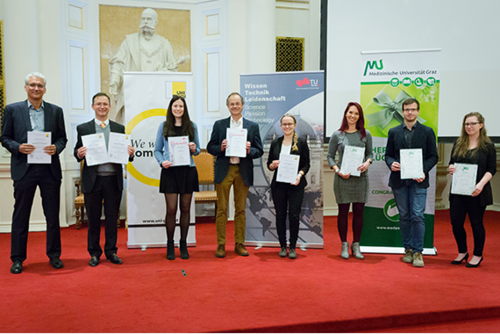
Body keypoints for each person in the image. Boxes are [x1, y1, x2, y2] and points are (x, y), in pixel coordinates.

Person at [1, 72, 67, 274]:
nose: (36, 88)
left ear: (44, 89)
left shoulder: (56, 111)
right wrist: (18, 147)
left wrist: (56, 147)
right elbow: (4, 137)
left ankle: (54, 255)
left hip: (49, 170)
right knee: (21, 215)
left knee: (52, 215)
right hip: (24, 169)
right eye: (32, 85)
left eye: (39, 85)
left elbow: (62, 138)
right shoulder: (12, 110)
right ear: (26, 88)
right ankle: (18, 258)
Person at [74, 93, 135, 267]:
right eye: (98, 104)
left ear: (109, 107)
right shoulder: (83, 129)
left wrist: (130, 154)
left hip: (112, 180)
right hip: (93, 180)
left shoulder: (119, 128)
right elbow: (76, 152)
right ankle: (94, 253)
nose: (102, 107)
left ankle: (111, 251)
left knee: (112, 218)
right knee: (93, 219)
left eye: (105, 104)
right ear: (92, 107)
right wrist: (79, 154)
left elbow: (126, 155)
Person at [207, 92, 263, 258]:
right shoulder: (219, 125)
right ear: (228, 106)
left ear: (243, 105)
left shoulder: (252, 126)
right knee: (222, 210)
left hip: (242, 171)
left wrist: (249, 149)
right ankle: (221, 244)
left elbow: (258, 150)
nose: (235, 106)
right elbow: (210, 147)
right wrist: (221, 147)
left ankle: (239, 243)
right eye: (232, 104)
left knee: (240, 210)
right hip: (225, 170)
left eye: (238, 103)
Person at [385, 98, 438, 267]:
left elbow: (433, 156)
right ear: (402, 111)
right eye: (407, 109)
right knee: (404, 216)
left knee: (417, 216)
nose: (409, 112)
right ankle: (407, 249)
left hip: (418, 180)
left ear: (418, 111)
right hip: (399, 181)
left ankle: (418, 252)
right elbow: (388, 155)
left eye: (413, 109)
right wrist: (390, 163)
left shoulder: (427, 131)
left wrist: (423, 170)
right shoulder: (393, 132)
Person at [108, 8, 180, 123]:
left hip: (157, 94)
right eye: (143, 18)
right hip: (134, 93)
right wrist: (115, 82)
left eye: (149, 19)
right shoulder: (130, 41)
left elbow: (173, 69)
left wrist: (161, 73)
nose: (145, 21)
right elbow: (118, 62)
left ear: (156, 22)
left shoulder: (164, 44)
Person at [154, 96, 200, 260]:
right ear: (171, 108)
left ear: (184, 108)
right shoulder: (164, 126)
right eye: (175, 106)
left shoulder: (192, 126)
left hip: (188, 171)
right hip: (170, 172)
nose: (178, 109)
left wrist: (194, 148)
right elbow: (157, 150)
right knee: (171, 210)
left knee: (186, 209)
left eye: (181, 106)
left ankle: (183, 243)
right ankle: (170, 244)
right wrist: (162, 162)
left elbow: (198, 150)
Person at [448, 112, 496, 268]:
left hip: (477, 191)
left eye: (472, 124)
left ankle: (477, 254)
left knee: (476, 223)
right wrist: (451, 168)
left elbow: (491, 169)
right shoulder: (458, 143)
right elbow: (451, 163)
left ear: (481, 125)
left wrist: (480, 185)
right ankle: (462, 251)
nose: (469, 127)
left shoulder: (488, 146)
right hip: (458, 191)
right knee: (456, 222)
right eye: (466, 124)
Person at [327, 102, 373, 260]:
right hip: (342, 179)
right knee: (343, 213)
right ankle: (344, 245)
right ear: (346, 114)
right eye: (350, 112)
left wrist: (367, 162)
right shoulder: (337, 135)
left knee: (359, 213)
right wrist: (337, 170)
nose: (352, 116)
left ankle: (357, 245)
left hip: (361, 179)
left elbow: (370, 154)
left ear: (359, 116)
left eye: (356, 113)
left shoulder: (365, 134)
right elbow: (330, 156)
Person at [267, 114, 310, 259]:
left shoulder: (302, 142)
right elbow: (269, 165)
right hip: (279, 185)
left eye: (289, 124)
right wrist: (273, 165)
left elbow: (306, 163)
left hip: (296, 185)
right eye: (284, 124)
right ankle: (282, 246)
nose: (287, 126)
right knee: (280, 216)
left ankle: (292, 247)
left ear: (294, 125)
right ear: (281, 126)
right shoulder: (275, 143)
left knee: (293, 216)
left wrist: (299, 175)